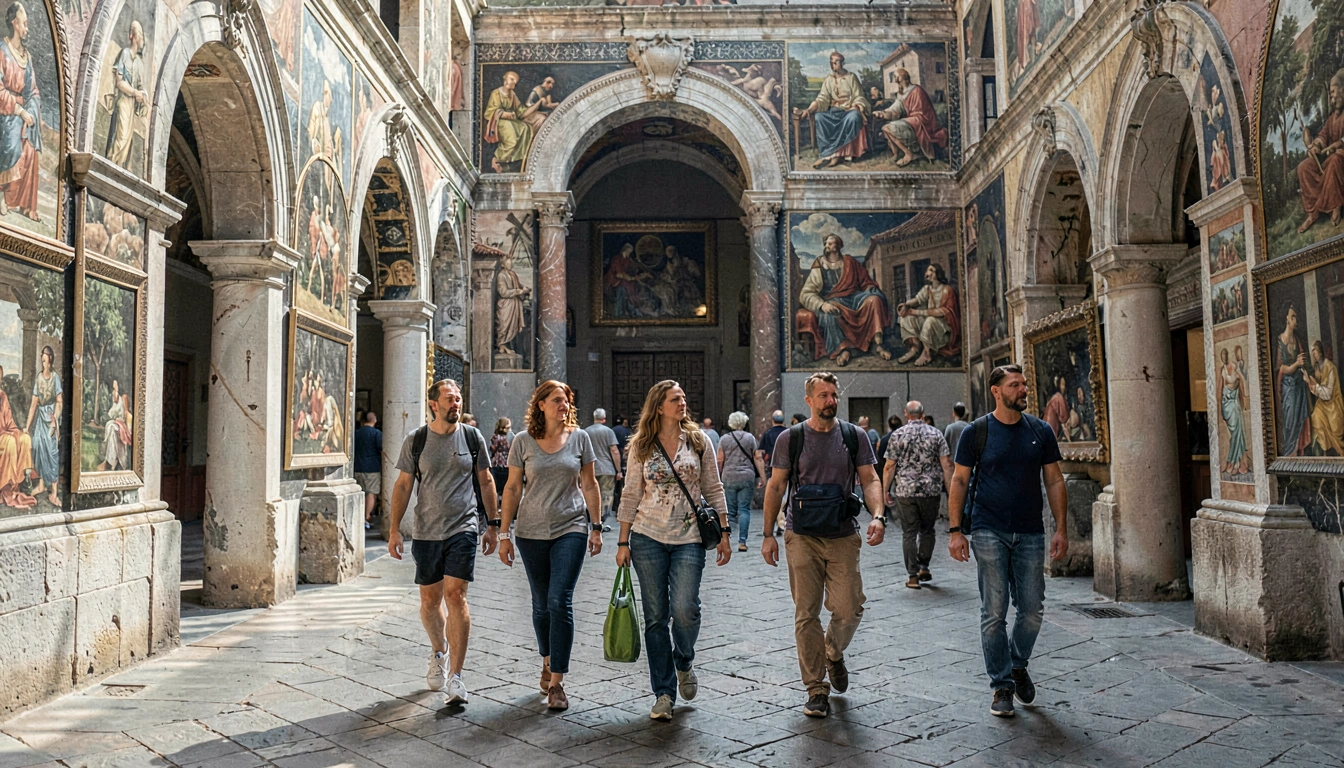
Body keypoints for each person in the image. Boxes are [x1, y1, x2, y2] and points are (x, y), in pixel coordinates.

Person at [761, 372, 886, 718]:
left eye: (834, 395)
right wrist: (768, 533)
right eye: (823, 395)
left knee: (849, 609)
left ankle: (832, 651)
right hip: (801, 535)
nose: (831, 400)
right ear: (809, 400)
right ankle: (816, 688)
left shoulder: (854, 435)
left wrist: (878, 514)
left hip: (843, 534)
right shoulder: (791, 439)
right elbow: (775, 487)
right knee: (806, 613)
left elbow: (870, 478)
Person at [947, 364, 1068, 718]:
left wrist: (1061, 528)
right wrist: (956, 532)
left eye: (1025, 384)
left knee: (1032, 610)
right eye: (1015, 385)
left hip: (1030, 531)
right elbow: (959, 482)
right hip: (989, 529)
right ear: (996, 391)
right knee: (993, 613)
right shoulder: (977, 432)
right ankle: (1001, 685)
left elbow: (1055, 481)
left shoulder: (1040, 430)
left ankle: (1017, 663)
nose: (1023, 390)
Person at [616, 379, 731, 721]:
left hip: (689, 537)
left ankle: (684, 659)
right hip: (647, 535)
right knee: (655, 617)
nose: (682, 403)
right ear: (659, 406)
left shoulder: (698, 441)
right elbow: (630, 494)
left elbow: (713, 486)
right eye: (674, 399)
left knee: (685, 609)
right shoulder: (641, 445)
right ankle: (663, 692)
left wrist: (724, 530)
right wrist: (622, 542)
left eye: (683, 397)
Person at [387, 379, 499, 707]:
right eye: (450, 399)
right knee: (429, 602)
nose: (456, 404)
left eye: (459, 399)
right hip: (425, 531)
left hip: (462, 528)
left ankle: (457, 677)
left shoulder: (472, 437)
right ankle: (439, 652)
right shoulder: (416, 440)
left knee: (456, 596)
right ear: (434, 404)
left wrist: (493, 525)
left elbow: (486, 480)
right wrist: (394, 529)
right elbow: (404, 485)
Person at [498, 381, 604, 711]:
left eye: (567, 400)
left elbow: (589, 483)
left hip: (571, 527)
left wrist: (596, 527)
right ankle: (546, 658)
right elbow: (513, 488)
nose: (564, 404)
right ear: (540, 404)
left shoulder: (580, 438)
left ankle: (557, 682)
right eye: (556, 399)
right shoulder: (522, 441)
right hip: (530, 532)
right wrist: (503, 534)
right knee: (541, 604)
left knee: (560, 600)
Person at [882, 401, 953, 589]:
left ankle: (912, 576)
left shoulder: (898, 434)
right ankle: (924, 566)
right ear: (923, 414)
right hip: (931, 490)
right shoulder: (936, 433)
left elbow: (889, 466)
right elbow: (946, 464)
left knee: (909, 533)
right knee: (928, 530)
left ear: (906, 414)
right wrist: (952, 490)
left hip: (905, 490)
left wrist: (885, 490)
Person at [796, 234, 893, 366]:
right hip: (833, 300)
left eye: (835, 243)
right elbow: (806, 293)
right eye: (829, 244)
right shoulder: (819, 264)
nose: (832, 246)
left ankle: (877, 344)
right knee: (828, 314)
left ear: (840, 246)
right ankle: (843, 349)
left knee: (874, 300)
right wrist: (822, 305)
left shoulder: (850, 262)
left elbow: (865, 280)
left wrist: (870, 287)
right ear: (825, 246)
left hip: (855, 297)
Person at [0, 2, 42, 221]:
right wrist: (19, 111)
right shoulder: (2, 51)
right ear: (15, 24)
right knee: (12, 138)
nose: (27, 28)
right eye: (25, 23)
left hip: (20, 112)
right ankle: (2, 197)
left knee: (29, 142)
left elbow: (32, 89)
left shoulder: (27, 56)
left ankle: (23, 204)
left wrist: (32, 109)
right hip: (4, 112)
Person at [792, 51, 871, 169]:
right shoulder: (828, 80)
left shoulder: (851, 77)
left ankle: (837, 155)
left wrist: (857, 105)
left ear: (842, 63)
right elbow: (822, 98)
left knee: (854, 117)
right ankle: (825, 155)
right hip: (834, 111)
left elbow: (859, 95)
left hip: (849, 110)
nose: (833, 66)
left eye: (836, 63)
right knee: (819, 117)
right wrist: (810, 109)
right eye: (832, 63)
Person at [1297, 70, 1344, 233]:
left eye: (1333, 93)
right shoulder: (1332, 118)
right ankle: (1313, 212)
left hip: (1341, 160)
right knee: (1304, 167)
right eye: (1330, 96)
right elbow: (1324, 134)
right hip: (1330, 158)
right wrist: (1316, 145)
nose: (1332, 99)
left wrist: (1336, 145)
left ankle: (1335, 206)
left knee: (1335, 160)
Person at [875, 68, 948, 167]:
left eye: (896, 76)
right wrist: (882, 113)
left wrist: (912, 118)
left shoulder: (917, 90)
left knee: (888, 128)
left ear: (902, 77)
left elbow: (924, 112)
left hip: (921, 120)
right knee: (886, 128)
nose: (895, 79)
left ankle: (909, 154)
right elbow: (894, 111)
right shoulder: (901, 94)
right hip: (912, 120)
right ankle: (897, 154)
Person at [718, 411, 765, 552]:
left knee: (730, 511)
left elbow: (719, 460)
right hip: (746, 476)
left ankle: (727, 541)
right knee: (744, 509)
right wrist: (763, 477)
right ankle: (742, 542)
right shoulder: (750, 438)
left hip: (729, 476)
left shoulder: (724, 439)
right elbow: (757, 457)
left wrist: (718, 477)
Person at [896, 264, 960, 366]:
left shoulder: (947, 290)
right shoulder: (927, 289)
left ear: (937, 274)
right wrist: (906, 305)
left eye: (931, 270)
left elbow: (944, 311)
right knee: (906, 317)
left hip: (944, 327)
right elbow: (918, 300)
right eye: (927, 270)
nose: (928, 273)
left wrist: (917, 312)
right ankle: (915, 347)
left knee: (929, 320)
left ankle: (927, 353)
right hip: (930, 321)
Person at [24, 345, 60, 506]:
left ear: (50, 359)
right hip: (40, 419)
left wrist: (55, 420)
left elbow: (60, 401)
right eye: (41, 358)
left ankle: (54, 492)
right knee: (38, 448)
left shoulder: (55, 378)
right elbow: (33, 404)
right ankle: (41, 485)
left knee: (52, 453)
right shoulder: (39, 378)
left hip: (51, 418)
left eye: (44, 358)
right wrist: (26, 427)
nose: (43, 360)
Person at [585, 408, 623, 531]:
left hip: (589, 469)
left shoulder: (586, 432)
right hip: (607, 469)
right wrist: (619, 470)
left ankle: (593, 521)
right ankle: (602, 519)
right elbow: (614, 450)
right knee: (606, 495)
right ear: (604, 418)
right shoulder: (608, 431)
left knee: (591, 494)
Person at [1305, 340, 1344, 456]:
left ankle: (1332, 453)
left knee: (1333, 427)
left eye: (1315, 351)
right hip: (1323, 405)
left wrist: (1312, 383)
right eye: (1312, 352)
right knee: (1315, 417)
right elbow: (1318, 388)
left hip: (1333, 406)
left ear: (1320, 351)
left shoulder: (1330, 367)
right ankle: (1324, 451)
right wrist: (1309, 381)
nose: (1313, 354)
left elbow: (1327, 394)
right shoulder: (1317, 367)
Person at [757, 410, 787, 533]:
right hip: (788, 468)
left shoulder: (768, 433)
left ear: (772, 420)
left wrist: (762, 475)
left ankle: (780, 522)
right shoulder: (788, 432)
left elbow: (759, 453)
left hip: (773, 468)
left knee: (775, 494)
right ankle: (782, 522)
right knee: (785, 495)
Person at [353, 412, 382, 531]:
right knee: (371, 493)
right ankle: (366, 517)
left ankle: (358, 518)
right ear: (374, 420)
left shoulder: (356, 433)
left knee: (359, 493)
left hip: (357, 467)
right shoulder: (376, 434)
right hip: (372, 468)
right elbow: (382, 448)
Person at [489, 417, 512, 494]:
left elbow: (493, 449)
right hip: (506, 463)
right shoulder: (509, 437)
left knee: (496, 487)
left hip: (497, 463)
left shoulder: (495, 437)